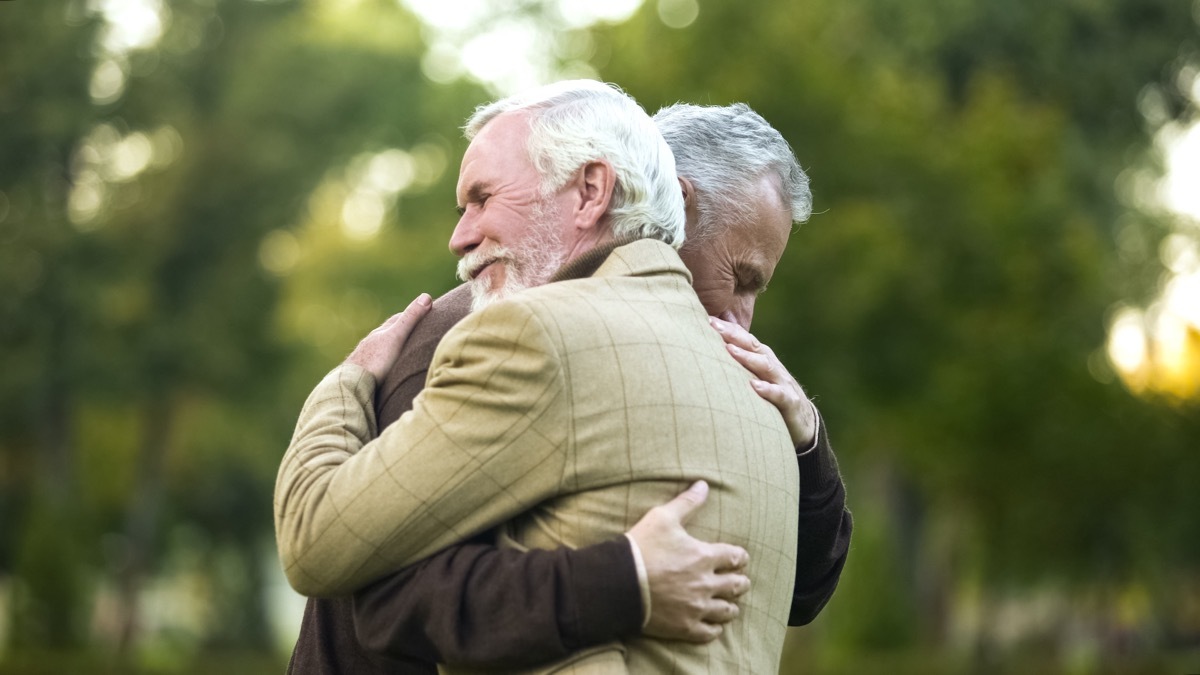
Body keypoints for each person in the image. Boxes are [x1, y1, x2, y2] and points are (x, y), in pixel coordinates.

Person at [284, 102, 852, 674]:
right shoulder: (488, 333)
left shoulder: (724, 377)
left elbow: (795, 592)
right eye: (742, 276)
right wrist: (623, 580)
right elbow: (384, 599)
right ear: (674, 203)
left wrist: (807, 443)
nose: (743, 317)